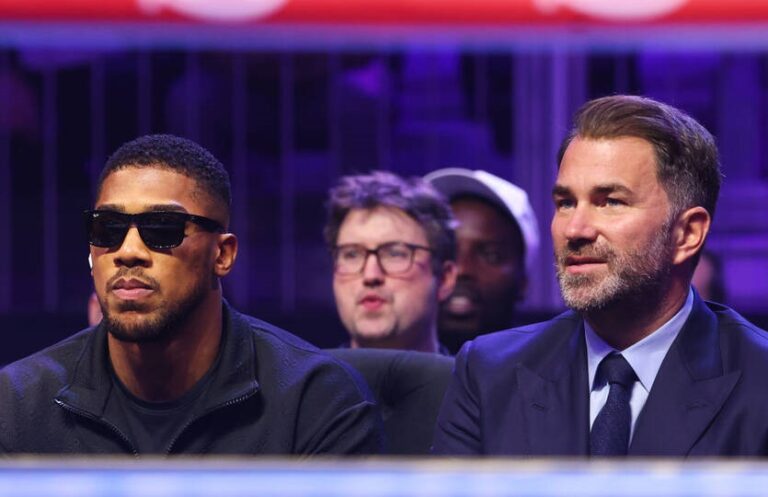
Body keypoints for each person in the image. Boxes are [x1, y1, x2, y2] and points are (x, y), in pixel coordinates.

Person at [0, 134, 383, 455]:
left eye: (162, 228)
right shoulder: (16, 406)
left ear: (222, 254)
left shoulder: (317, 402)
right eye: (108, 228)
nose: (127, 251)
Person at [433, 95, 768, 456]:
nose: (575, 229)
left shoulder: (759, 381)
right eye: (566, 203)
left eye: (610, 202)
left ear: (686, 233)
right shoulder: (488, 373)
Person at [324, 171, 457, 354]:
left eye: (395, 254)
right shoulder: (300, 373)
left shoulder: (475, 374)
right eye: (352, 255)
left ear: (444, 279)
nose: (371, 275)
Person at [424, 168, 539, 353]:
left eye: (491, 255)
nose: (462, 269)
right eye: (447, 249)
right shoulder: (382, 364)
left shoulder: (557, 368)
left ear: (523, 283)